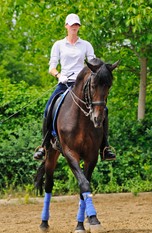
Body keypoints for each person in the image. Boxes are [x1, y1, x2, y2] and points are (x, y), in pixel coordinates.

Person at [34, 13, 115, 161]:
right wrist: (59, 75)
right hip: (65, 83)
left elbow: (94, 64)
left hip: (83, 85)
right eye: (72, 25)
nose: (74, 28)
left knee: (105, 109)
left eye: (76, 25)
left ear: (78, 27)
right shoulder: (58, 45)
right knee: (48, 107)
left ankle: (105, 147)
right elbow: (51, 67)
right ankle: (44, 146)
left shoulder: (86, 45)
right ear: (66, 26)